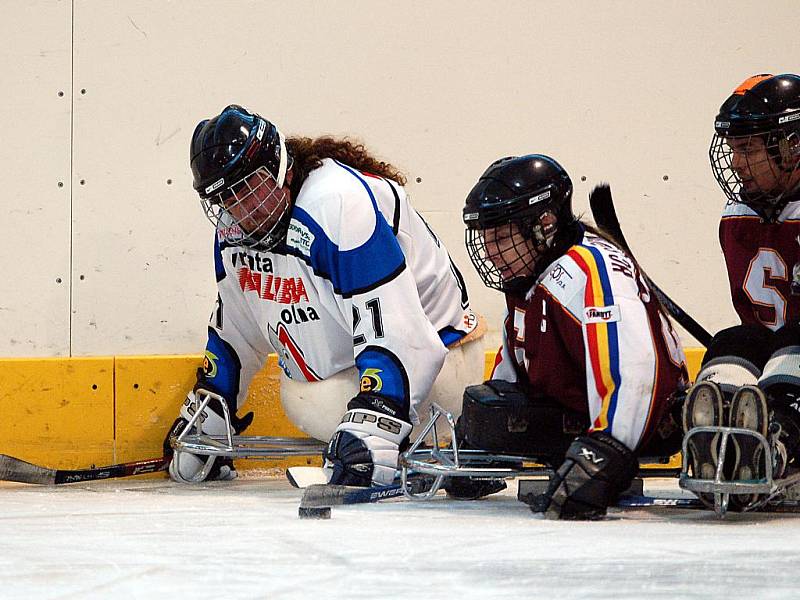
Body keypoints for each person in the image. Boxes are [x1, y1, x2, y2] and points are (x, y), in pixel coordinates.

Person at [165, 104, 480, 486]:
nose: (243, 209)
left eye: (249, 188)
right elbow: (237, 325)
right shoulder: (234, 231)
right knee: (305, 398)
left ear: (280, 168)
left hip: (439, 363)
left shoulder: (336, 202)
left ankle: (409, 429)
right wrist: (211, 413)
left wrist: (379, 418)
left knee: (322, 404)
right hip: (348, 377)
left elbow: (393, 321)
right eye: (227, 199)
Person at [458, 154, 689, 519]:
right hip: (580, 415)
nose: (490, 251)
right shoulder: (531, 273)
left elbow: (637, 369)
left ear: (545, 223)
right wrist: (481, 438)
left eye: (501, 236)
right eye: (486, 238)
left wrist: (605, 450)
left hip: (639, 424)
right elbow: (519, 356)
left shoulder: (587, 269)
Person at [683, 73, 800, 509]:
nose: (736, 162)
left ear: (792, 144)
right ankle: (722, 445)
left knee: (795, 338)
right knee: (734, 341)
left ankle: (779, 442)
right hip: (784, 359)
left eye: (748, 148)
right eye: (733, 148)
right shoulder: (738, 215)